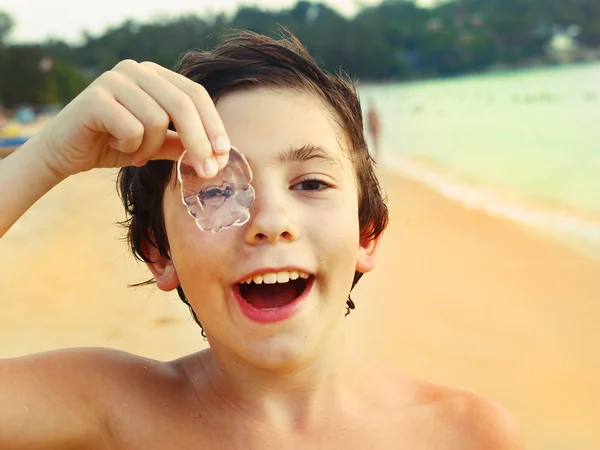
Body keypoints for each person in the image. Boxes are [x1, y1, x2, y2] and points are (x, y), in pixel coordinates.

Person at [0, 30, 523, 449]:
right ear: (159, 254)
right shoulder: (112, 409)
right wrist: (47, 157)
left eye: (311, 183)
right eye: (216, 192)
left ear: (367, 233)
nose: (271, 220)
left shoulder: (466, 434)